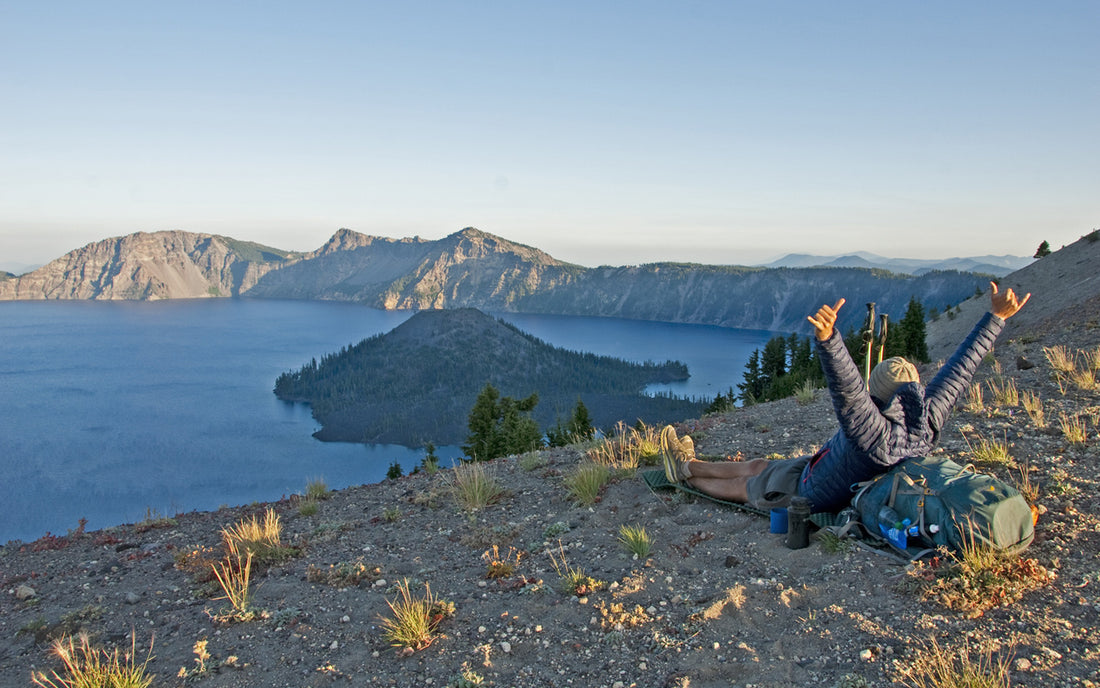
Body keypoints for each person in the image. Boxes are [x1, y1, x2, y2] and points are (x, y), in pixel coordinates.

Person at [662, 282, 1030, 513]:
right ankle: (691, 464)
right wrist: (995, 318)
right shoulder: (925, 419)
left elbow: (846, 387)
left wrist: (829, 339)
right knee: (759, 465)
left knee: (750, 487)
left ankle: (685, 476)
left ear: (878, 394)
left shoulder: (872, 432)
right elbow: (959, 372)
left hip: (817, 491)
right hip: (824, 467)